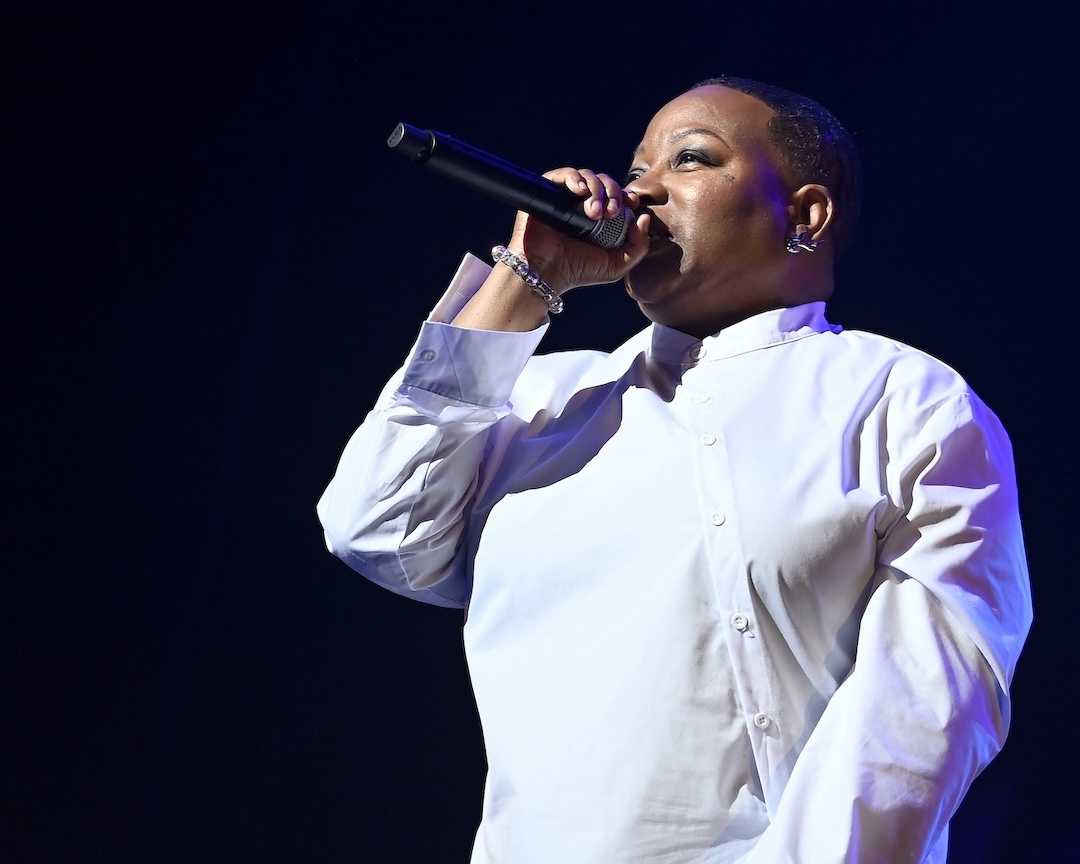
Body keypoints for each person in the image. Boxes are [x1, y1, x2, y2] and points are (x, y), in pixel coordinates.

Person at [316, 77, 1032, 863]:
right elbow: (375, 530)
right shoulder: (540, 397)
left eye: (691, 159)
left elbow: (924, 709)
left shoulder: (904, 399)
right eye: (635, 168)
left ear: (805, 215)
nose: (639, 191)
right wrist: (526, 278)